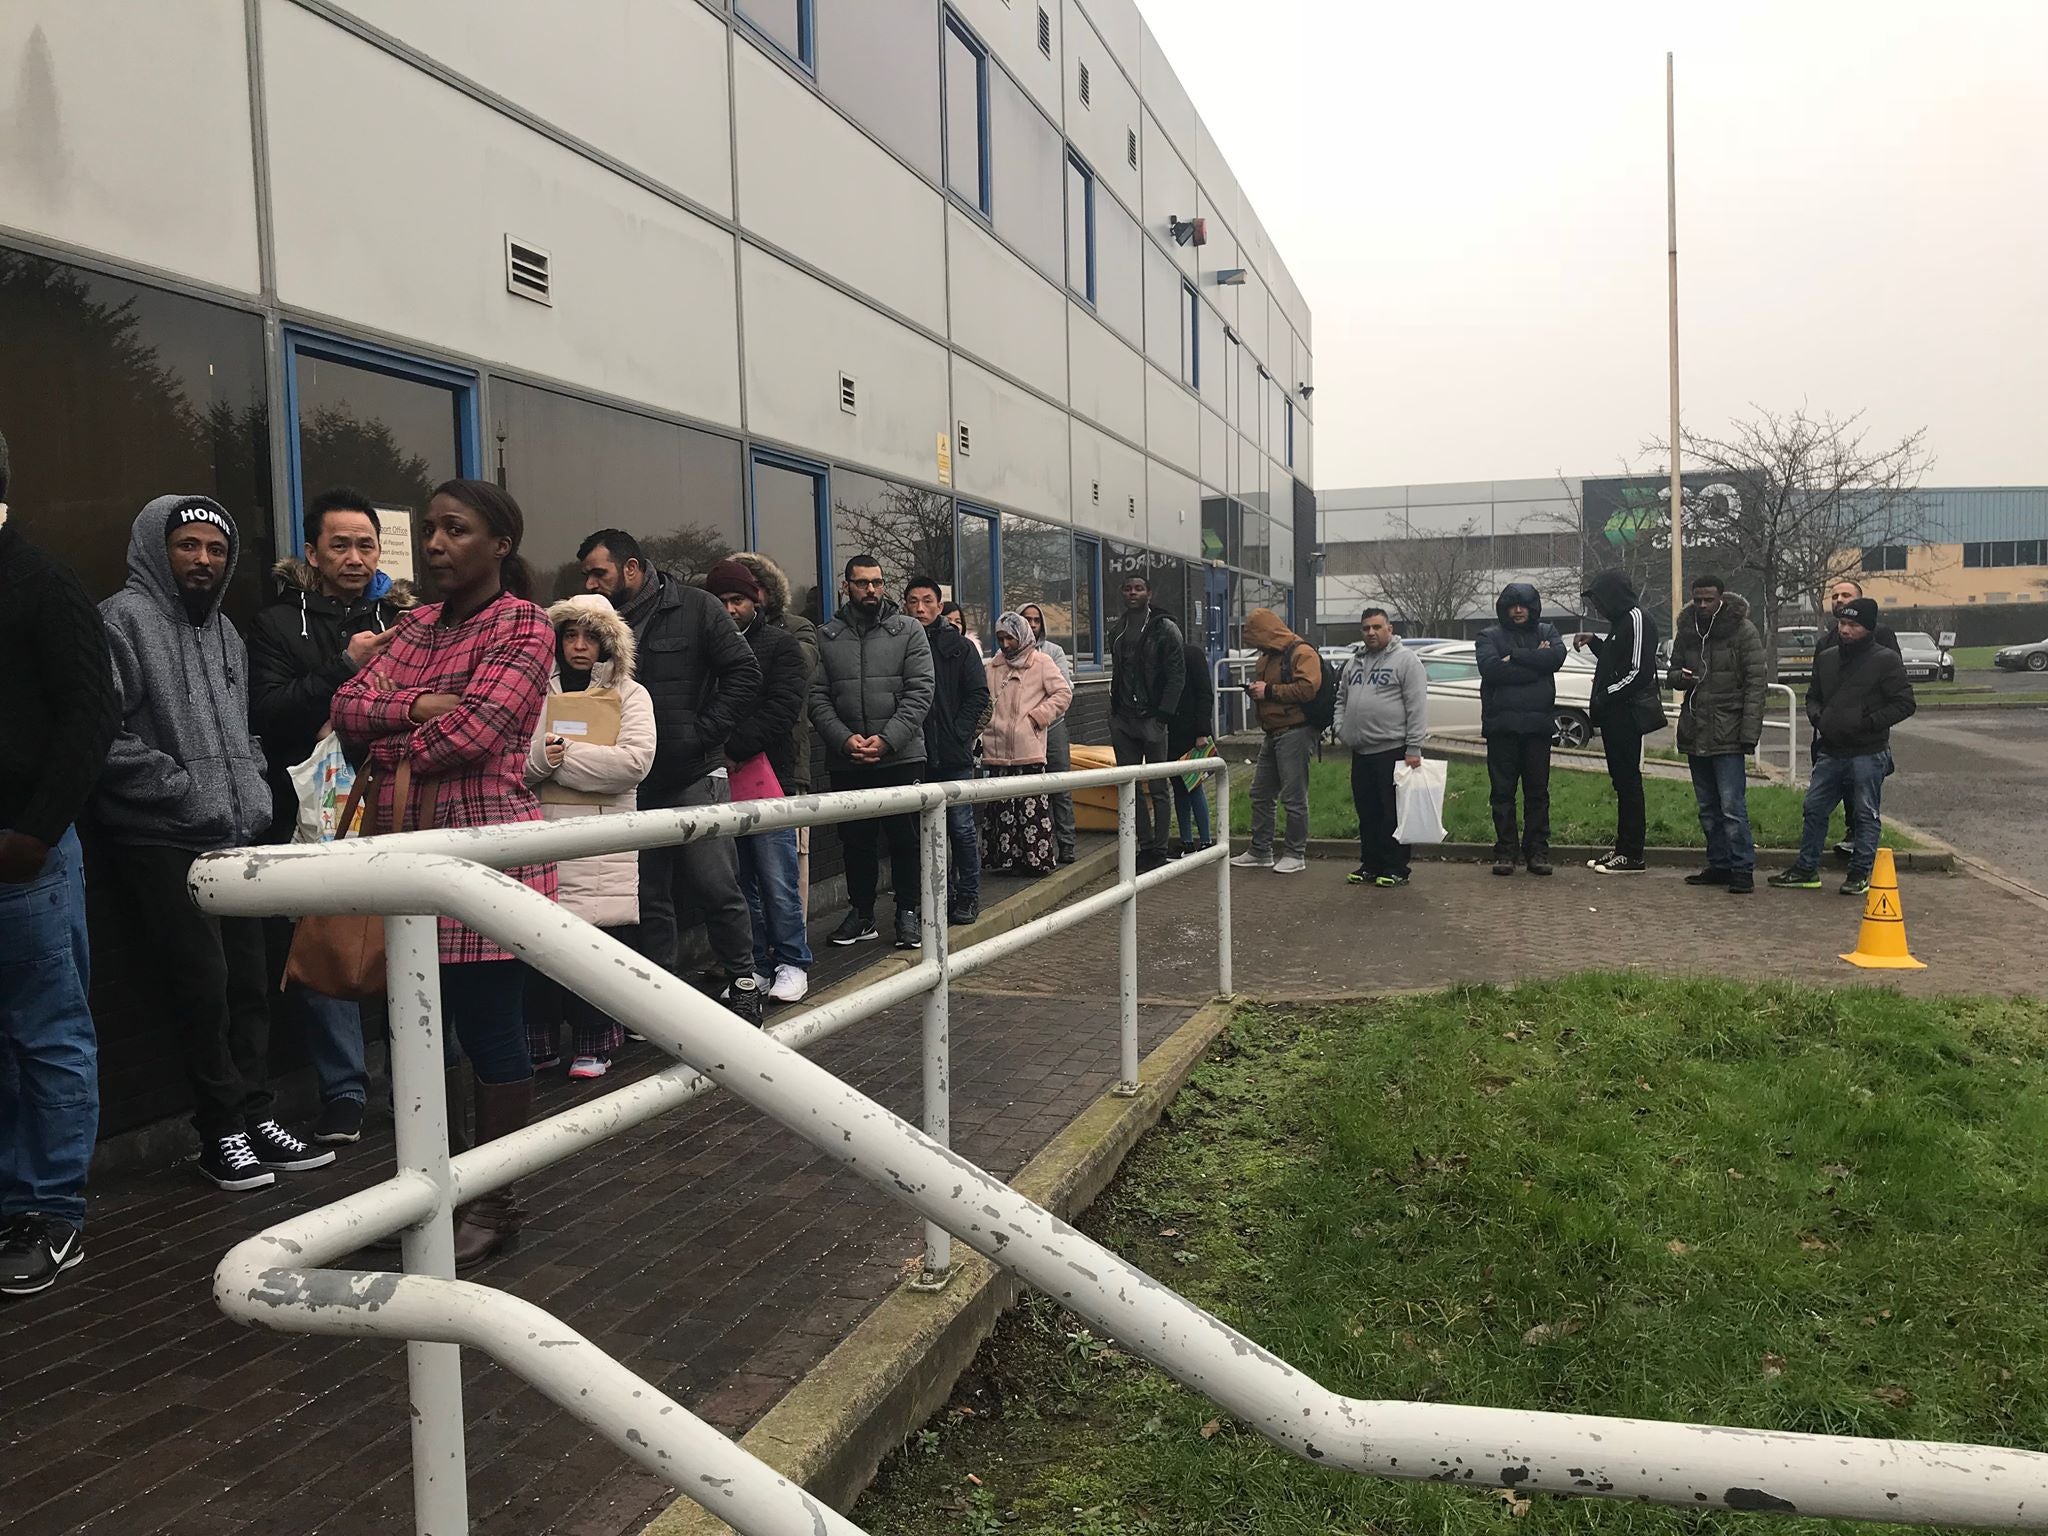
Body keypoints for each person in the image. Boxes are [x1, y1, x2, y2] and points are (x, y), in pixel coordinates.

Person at [333, 480, 556, 1266]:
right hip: (405, 851)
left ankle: (494, 1202)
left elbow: (481, 730)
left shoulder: (525, 624)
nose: (433, 544)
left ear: (499, 544)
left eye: (455, 530)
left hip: (486, 854)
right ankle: (433, 1191)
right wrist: (423, 708)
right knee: (418, 1031)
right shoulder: (414, 622)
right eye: (428, 529)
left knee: (489, 1027)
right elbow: (348, 708)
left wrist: (401, 722)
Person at [96, 495, 333, 1192]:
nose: (203, 560)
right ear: (155, 548)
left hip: (235, 836)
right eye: (188, 546)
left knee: (249, 986)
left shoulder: (227, 633)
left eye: (216, 549)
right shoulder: (122, 620)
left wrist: (251, 784)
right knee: (200, 989)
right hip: (162, 838)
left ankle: (254, 1115)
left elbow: (241, 728)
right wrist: (182, 789)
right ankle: (220, 1131)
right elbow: (102, 737)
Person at [247, 487, 413, 1145]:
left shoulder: (412, 617)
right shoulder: (277, 624)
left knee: (412, 938)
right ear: (312, 552)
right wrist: (347, 666)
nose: (352, 556)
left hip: (402, 798)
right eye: (338, 544)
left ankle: (418, 1081)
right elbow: (269, 711)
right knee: (327, 940)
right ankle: (344, 1091)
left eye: (364, 544)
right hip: (315, 811)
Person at [0, 432, 119, 1295]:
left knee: (47, 1035)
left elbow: (92, 714)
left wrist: (36, 830)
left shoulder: (41, 584)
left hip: (23, 858)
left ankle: (52, 1212)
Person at [577, 529, 764, 1023]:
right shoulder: (594, 624)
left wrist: (701, 734)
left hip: (693, 774)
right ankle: (658, 1003)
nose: (592, 583)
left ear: (633, 569)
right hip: (628, 782)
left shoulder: (698, 607)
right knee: (647, 896)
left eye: (600, 573)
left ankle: (743, 980)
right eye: (586, 576)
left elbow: (746, 673)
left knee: (716, 884)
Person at [524, 595, 655, 1077]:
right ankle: (538, 1041)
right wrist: (546, 760)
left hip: (602, 839)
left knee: (599, 943)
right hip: (542, 832)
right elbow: (514, 760)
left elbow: (632, 765)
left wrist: (559, 756)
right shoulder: (534, 689)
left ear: (609, 642)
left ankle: (595, 1042)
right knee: (534, 940)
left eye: (591, 636)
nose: (579, 646)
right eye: (570, 635)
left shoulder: (632, 695)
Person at [810, 555, 935, 949]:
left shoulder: (909, 631)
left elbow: (921, 692)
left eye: (877, 582)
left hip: (901, 756)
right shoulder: (825, 636)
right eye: (862, 583)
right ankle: (861, 914)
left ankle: (908, 912)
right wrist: (844, 740)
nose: (871, 590)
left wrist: (887, 740)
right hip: (848, 759)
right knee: (856, 841)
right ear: (846, 585)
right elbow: (816, 697)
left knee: (905, 839)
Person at [708, 559, 814, 1004]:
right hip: (716, 779)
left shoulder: (781, 646)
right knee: (738, 883)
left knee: (777, 878)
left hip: (770, 776)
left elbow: (783, 709)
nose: (730, 609)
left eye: (738, 600)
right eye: (723, 601)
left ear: (758, 601)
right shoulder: (706, 650)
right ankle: (757, 965)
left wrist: (732, 749)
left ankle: (793, 960)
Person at [1770, 597, 1917, 897]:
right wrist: (1818, 717)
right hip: (1831, 750)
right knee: (1813, 808)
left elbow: (1904, 703)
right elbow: (1813, 695)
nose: (1846, 630)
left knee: (1865, 814)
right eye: (1842, 623)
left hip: (1868, 751)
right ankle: (1806, 868)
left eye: (1854, 625)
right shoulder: (1827, 658)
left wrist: (1869, 722)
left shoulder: (1885, 660)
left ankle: (1860, 873)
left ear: (1869, 627)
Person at [732, 551, 820, 917]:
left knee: (785, 869)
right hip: (733, 768)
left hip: (784, 766)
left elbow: (801, 669)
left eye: (742, 595)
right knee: (739, 871)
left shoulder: (796, 630)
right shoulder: (719, 634)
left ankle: (790, 950)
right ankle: (748, 953)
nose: (732, 608)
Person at [1667, 575, 1766, 895]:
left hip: (1729, 730)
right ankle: (1719, 863)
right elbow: (1672, 674)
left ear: (1721, 598)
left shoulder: (1743, 631)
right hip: (1696, 728)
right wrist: (1680, 678)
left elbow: (1756, 684)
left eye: (1708, 599)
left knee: (1732, 806)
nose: (1702, 605)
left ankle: (1742, 868)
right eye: (1697, 600)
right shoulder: (1687, 632)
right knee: (1707, 805)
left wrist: (1749, 734)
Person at [907, 575, 990, 926]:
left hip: (953, 756)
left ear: (940, 606)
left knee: (961, 827)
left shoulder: (960, 647)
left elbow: (978, 696)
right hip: (915, 756)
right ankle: (937, 894)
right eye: (913, 601)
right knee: (921, 833)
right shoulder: (903, 644)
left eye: (927, 601)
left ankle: (968, 894)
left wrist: (958, 734)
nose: (920, 608)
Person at [1576, 569, 1664, 875]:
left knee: (1629, 783)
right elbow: (1617, 661)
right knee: (1621, 783)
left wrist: (1605, 696)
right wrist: (1596, 643)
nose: (1596, 607)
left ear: (1612, 595)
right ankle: (1622, 848)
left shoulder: (1638, 619)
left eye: (1599, 599)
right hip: (1614, 716)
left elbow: (1639, 672)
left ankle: (1632, 854)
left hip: (1626, 715)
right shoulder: (1619, 624)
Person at [1476, 582, 1564, 877]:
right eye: (1513, 605)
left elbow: (1556, 658)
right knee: (1502, 793)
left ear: (1532, 607)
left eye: (1523, 604)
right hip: (1502, 727)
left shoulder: (1548, 632)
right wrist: (1536, 661)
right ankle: (1505, 852)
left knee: (1537, 793)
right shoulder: (1488, 636)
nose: (1518, 610)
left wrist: (1513, 656)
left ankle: (1537, 851)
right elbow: (1490, 669)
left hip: (1538, 728)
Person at [1334, 607, 1427, 888]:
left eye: (1376, 627)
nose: (1371, 633)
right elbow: (1341, 698)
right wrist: (1341, 728)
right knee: (1368, 812)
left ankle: (1396, 867)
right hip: (1361, 751)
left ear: (1390, 629)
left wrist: (1414, 747)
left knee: (1393, 814)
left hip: (1393, 750)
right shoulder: (1354, 663)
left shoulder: (1406, 661)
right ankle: (1370, 864)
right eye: (1366, 628)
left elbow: (1416, 706)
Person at [979, 612, 1073, 876]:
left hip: (1029, 752)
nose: (1005, 644)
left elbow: (1063, 693)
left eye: (1010, 637)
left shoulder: (1041, 662)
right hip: (996, 752)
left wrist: (1036, 719)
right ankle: (1006, 860)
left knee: (1030, 810)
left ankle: (1036, 860)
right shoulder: (992, 667)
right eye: (1000, 638)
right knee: (1002, 810)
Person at [1230, 608, 1322, 876]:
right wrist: (1259, 691)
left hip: (1295, 731)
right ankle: (1261, 850)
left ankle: (1295, 853)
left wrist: (1268, 691)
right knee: (1260, 793)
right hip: (1273, 731)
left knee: (1293, 797)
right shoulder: (1268, 656)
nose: (1253, 645)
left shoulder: (1302, 653)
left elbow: (1308, 688)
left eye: (1254, 637)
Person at [1107, 574, 1185, 871]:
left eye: (1138, 588)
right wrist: (1114, 712)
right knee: (1129, 786)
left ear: (1149, 593)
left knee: (1158, 786)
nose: (1132, 593)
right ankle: (1144, 845)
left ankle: (1160, 848)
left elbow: (1177, 675)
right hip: (1122, 720)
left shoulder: (1165, 628)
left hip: (1153, 719)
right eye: (1127, 588)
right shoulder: (1117, 628)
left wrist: (1164, 715)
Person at [1019, 603, 1078, 866]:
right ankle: (1033, 849)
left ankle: (1067, 844)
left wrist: (1038, 714)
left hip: (1052, 728)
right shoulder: (1007, 653)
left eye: (1036, 620)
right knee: (1027, 790)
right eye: (1026, 619)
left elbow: (1064, 689)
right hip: (1022, 734)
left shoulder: (1054, 652)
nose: (1032, 625)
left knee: (1060, 786)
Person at [1167, 637, 1214, 859]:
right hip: (1171, 733)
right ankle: (1186, 841)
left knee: (1193, 785)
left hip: (1191, 732)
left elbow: (1204, 693)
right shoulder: (1161, 657)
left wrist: (1202, 731)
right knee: (1178, 786)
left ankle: (1205, 841)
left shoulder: (1192, 655)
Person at [1816, 578, 1902, 657]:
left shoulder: (1881, 634)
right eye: (1835, 597)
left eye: (1846, 595)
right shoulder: (1825, 643)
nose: (1839, 600)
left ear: (1860, 599)